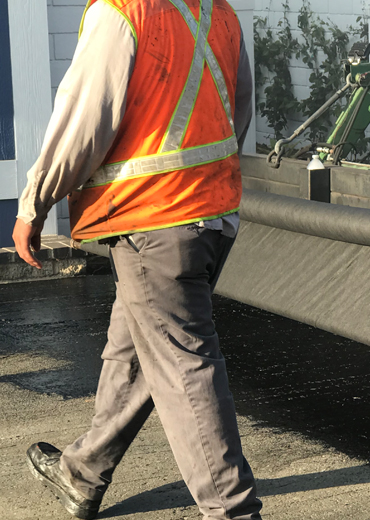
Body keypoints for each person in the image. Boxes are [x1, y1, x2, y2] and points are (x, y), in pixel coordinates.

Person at [13, 0, 261, 518]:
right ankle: (82, 474)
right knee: (133, 353)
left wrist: (34, 204)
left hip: (155, 221)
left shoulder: (125, 11)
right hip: (209, 217)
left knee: (185, 369)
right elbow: (237, 112)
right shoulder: (218, 13)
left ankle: (234, 511)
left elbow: (85, 120)